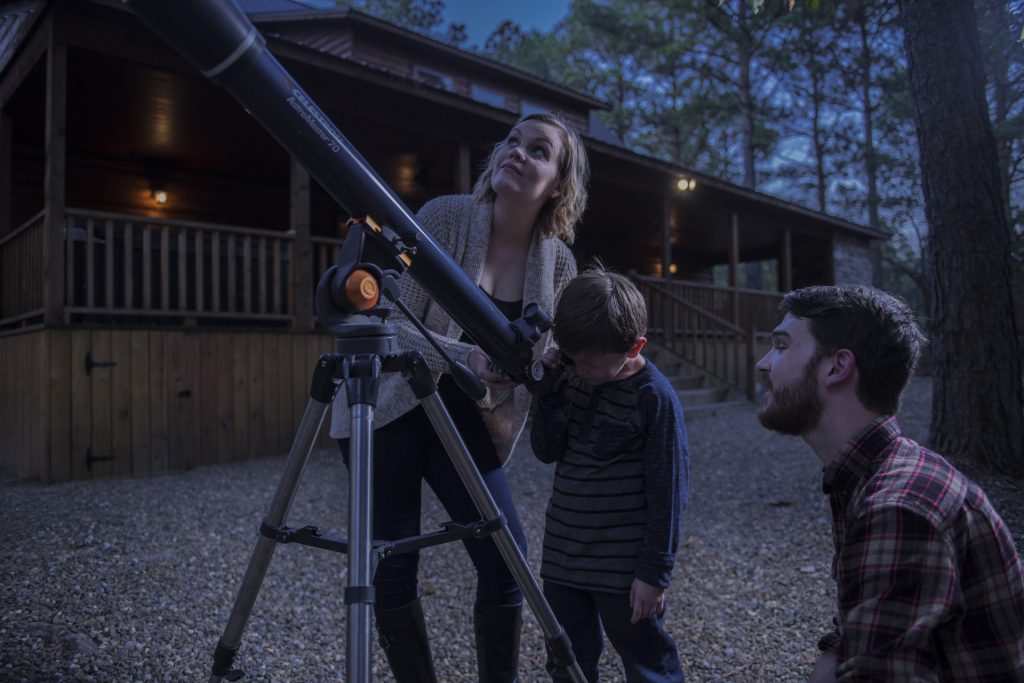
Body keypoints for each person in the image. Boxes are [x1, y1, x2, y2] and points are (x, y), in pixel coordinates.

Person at [330, 112, 589, 683]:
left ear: (559, 184)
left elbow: (548, 353)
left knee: (508, 560)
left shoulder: (560, 262)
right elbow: (387, 316)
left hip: (469, 416)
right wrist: (465, 354)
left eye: (538, 150)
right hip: (391, 400)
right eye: (513, 142)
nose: (517, 152)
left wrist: (543, 366)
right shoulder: (444, 216)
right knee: (394, 562)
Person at [755, 285, 1024, 681]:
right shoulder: (872, 472)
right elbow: (858, 624)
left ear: (836, 367)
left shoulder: (900, 506)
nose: (763, 363)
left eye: (781, 346)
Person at [531, 265, 689, 683]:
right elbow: (546, 451)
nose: (577, 368)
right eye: (570, 356)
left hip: (623, 568)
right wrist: (548, 392)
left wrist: (654, 575)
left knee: (647, 661)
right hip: (564, 557)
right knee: (567, 661)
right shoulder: (570, 375)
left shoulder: (654, 398)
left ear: (635, 346)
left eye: (588, 362)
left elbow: (668, 494)